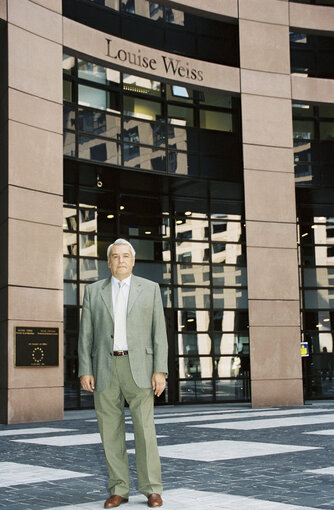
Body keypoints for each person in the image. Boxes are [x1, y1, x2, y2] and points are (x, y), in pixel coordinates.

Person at [78, 238, 168, 508]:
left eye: (125, 256)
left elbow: (159, 333)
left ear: (133, 260)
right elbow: (85, 335)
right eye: (115, 256)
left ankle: (151, 488)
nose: (121, 261)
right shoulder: (93, 292)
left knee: (145, 431)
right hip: (105, 368)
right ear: (108, 262)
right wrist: (85, 369)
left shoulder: (150, 289)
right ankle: (119, 489)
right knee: (110, 431)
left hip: (140, 368)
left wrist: (160, 370)